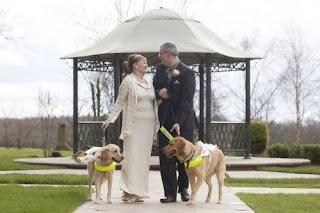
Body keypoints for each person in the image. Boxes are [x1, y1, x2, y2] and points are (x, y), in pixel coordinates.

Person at [102, 54, 159, 202]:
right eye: (143, 62)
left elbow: (154, 102)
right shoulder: (128, 82)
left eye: (146, 62)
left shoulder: (149, 82)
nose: (146, 64)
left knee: (143, 159)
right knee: (131, 157)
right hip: (133, 125)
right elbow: (120, 103)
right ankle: (127, 191)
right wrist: (110, 119)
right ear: (135, 65)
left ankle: (139, 191)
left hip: (149, 125)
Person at [153, 42, 198, 203]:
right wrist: (160, 93)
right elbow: (155, 88)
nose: (159, 56)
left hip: (183, 121)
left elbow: (187, 100)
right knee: (166, 157)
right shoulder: (159, 69)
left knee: (184, 156)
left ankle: (184, 188)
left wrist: (178, 121)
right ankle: (170, 193)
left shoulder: (187, 73)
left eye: (160, 53)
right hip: (165, 120)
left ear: (169, 54)